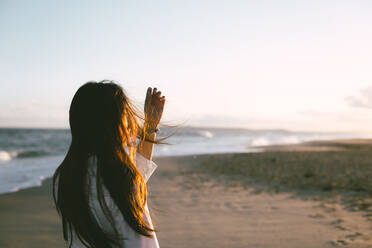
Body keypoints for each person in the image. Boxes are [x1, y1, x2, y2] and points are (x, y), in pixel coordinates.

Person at [52, 80, 165, 248]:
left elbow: (137, 174)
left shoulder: (68, 174)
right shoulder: (119, 176)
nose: (130, 121)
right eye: (125, 114)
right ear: (113, 122)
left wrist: (150, 126)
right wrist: (149, 126)